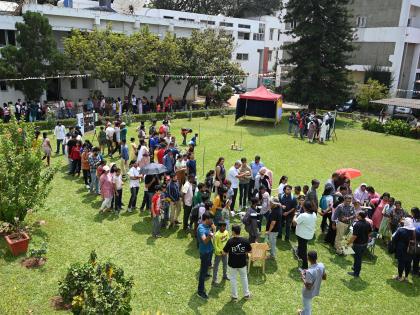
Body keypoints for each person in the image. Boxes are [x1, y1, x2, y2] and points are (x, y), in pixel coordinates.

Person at [223, 224, 252, 301]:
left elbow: (224, 252)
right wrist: (243, 252)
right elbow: (250, 250)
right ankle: (247, 295)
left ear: (233, 231)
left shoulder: (230, 241)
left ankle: (234, 296)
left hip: (232, 264)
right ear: (239, 231)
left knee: (233, 279)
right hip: (242, 264)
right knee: (244, 278)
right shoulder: (245, 240)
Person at [298, 251, 326, 315]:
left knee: (308, 309)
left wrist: (303, 278)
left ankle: (304, 313)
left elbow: (308, 287)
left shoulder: (309, 272)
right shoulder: (321, 265)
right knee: (307, 306)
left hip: (308, 293)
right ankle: (302, 313)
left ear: (308, 259)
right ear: (316, 257)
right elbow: (324, 277)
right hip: (315, 290)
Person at [346, 211, 371, 277]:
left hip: (358, 245)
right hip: (364, 244)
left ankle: (356, 273)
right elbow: (369, 234)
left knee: (358, 259)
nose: (356, 215)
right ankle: (355, 267)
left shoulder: (357, 224)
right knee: (358, 258)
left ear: (360, 216)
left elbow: (354, 236)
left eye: (357, 214)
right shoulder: (368, 223)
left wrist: (348, 243)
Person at [294, 200, 317, 269]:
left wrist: (294, 215)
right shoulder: (314, 214)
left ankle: (304, 266)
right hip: (308, 235)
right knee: (302, 247)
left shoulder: (303, 215)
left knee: (303, 250)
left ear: (305, 207)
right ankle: (299, 254)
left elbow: (294, 223)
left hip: (302, 235)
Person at [197, 212, 214, 299]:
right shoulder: (201, 228)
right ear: (206, 219)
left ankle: (206, 273)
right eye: (211, 219)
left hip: (209, 250)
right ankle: (200, 291)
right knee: (202, 272)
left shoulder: (208, 226)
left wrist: (212, 230)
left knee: (206, 266)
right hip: (204, 252)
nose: (212, 221)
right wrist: (210, 235)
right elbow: (204, 240)